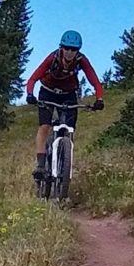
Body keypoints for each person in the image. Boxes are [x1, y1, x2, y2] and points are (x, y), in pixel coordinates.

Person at [25, 30, 104, 182]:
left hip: (68, 94)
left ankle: (64, 159)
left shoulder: (81, 60)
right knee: (44, 127)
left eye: (73, 49)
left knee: (69, 129)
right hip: (47, 92)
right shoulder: (52, 58)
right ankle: (41, 166)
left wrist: (99, 99)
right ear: (61, 47)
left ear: (77, 51)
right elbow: (33, 79)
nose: (69, 52)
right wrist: (30, 94)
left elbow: (95, 81)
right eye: (66, 48)